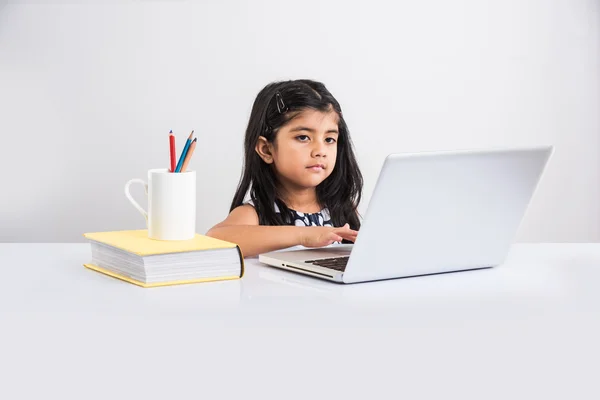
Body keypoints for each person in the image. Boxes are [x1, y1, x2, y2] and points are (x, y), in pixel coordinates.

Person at [206, 79, 363, 257]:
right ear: (266, 149)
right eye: (303, 137)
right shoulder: (255, 214)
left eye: (329, 139)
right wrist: (305, 235)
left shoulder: (341, 208)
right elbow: (215, 240)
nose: (320, 151)